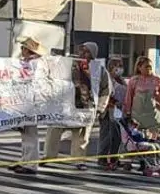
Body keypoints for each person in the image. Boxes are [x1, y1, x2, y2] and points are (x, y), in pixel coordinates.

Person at [44, 41, 109, 170]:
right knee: (54, 129)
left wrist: (101, 107)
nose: (83, 54)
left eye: (86, 52)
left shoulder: (99, 70)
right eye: (81, 51)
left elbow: (105, 89)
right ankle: (48, 156)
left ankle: (79, 160)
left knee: (81, 135)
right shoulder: (69, 64)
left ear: (93, 54)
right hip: (65, 104)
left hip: (86, 105)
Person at [11, 37, 47, 175]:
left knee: (30, 132)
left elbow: (33, 80)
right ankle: (25, 160)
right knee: (25, 132)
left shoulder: (36, 63)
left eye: (23, 48)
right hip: (25, 99)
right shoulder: (28, 62)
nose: (22, 50)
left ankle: (31, 163)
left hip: (31, 100)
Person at [124, 56, 160, 149]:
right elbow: (129, 97)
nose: (149, 69)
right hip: (137, 114)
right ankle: (141, 157)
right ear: (139, 68)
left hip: (153, 113)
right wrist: (127, 111)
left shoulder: (158, 80)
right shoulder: (134, 80)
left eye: (150, 67)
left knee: (152, 137)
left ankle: (151, 153)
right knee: (139, 137)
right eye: (146, 67)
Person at [97, 58, 128, 169]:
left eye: (120, 65)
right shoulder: (106, 78)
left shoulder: (122, 80)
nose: (118, 68)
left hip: (119, 111)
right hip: (108, 109)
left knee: (117, 136)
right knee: (106, 135)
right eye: (116, 65)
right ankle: (102, 158)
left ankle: (114, 158)